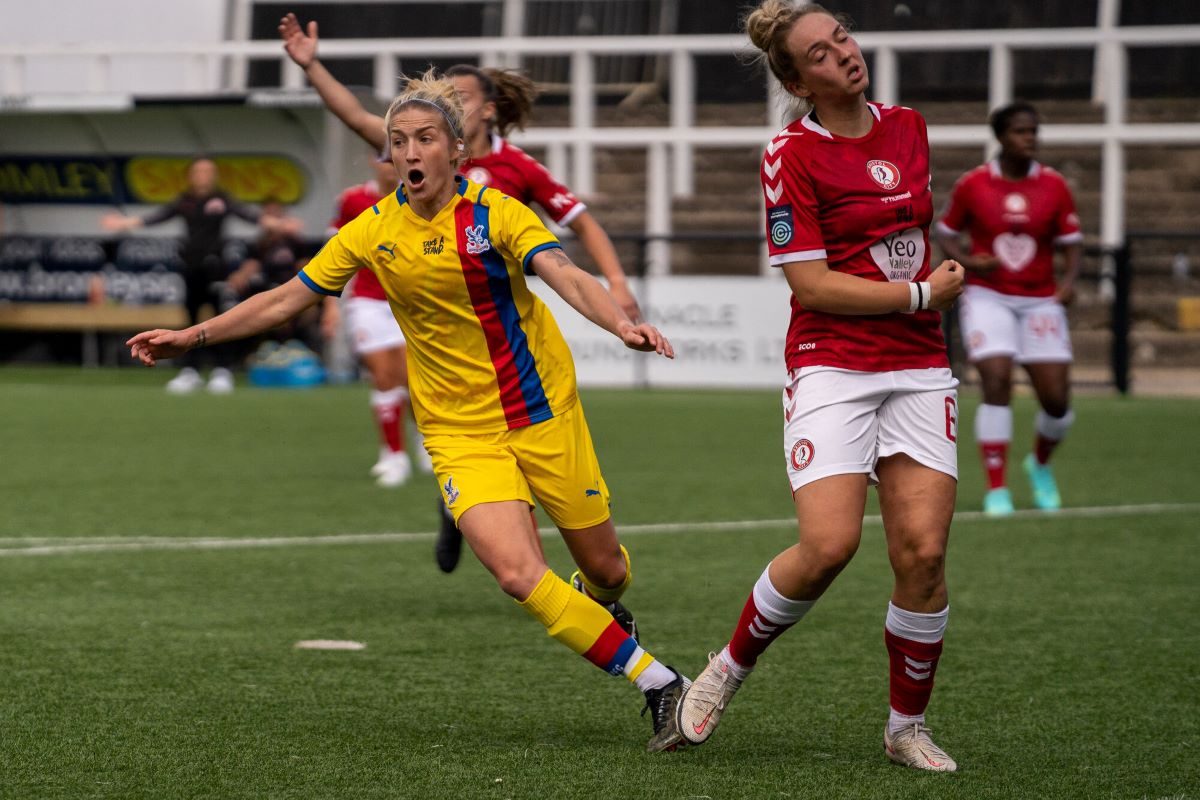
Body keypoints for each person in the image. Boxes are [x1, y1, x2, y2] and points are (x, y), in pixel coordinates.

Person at [126, 71, 688, 753]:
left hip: (540, 410)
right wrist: (194, 335)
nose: (410, 151)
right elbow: (285, 299)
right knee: (515, 573)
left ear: (457, 149)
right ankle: (659, 683)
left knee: (609, 572)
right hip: (457, 430)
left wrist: (619, 323)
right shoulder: (372, 230)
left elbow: (564, 275)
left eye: (425, 138)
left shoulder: (498, 213)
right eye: (398, 141)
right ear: (388, 156)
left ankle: (594, 599)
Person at [672, 1, 965, 772]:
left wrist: (926, 292)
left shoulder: (909, 124)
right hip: (833, 360)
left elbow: (906, 238)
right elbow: (813, 282)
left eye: (843, 38)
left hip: (919, 362)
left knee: (923, 554)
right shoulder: (788, 155)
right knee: (830, 544)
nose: (845, 54)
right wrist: (919, 294)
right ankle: (727, 668)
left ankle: (906, 728)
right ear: (798, 79)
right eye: (822, 52)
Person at [278, 12, 642, 570]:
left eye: (461, 97)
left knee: (595, 554)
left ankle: (564, 581)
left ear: (487, 110)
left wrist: (616, 288)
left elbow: (579, 229)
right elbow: (352, 114)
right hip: (450, 370)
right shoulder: (417, 146)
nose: (446, 105)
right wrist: (311, 65)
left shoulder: (516, 171)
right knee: (514, 543)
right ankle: (511, 556)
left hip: (508, 348)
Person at [936, 102, 1083, 516]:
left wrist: (1068, 284)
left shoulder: (1054, 185)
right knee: (996, 380)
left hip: (1040, 298)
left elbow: (1072, 243)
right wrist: (968, 260)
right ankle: (996, 488)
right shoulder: (974, 184)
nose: (1030, 138)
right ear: (1000, 137)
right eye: (1021, 131)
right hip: (987, 295)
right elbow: (945, 232)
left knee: (1056, 400)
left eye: (1034, 131)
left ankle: (1038, 463)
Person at [102, 158, 302, 394]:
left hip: (216, 267)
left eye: (208, 171)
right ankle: (190, 372)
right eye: (199, 171)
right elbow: (157, 217)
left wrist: (279, 225)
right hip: (191, 267)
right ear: (191, 175)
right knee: (191, 318)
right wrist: (124, 223)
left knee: (221, 319)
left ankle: (222, 370)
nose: (203, 175)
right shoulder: (185, 201)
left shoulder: (221, 198)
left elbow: (249, 215)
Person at [319, 153, 434, 487]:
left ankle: (425, 440)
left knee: (413, 380)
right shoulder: (353, 200)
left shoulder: (418, 198)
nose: (389, 166)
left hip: (409, 302)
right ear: (373, 162)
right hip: (367, 302)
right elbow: (332, 256)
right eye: (383, 159)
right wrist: (329, 306)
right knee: (384, 375)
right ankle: (393, 455)